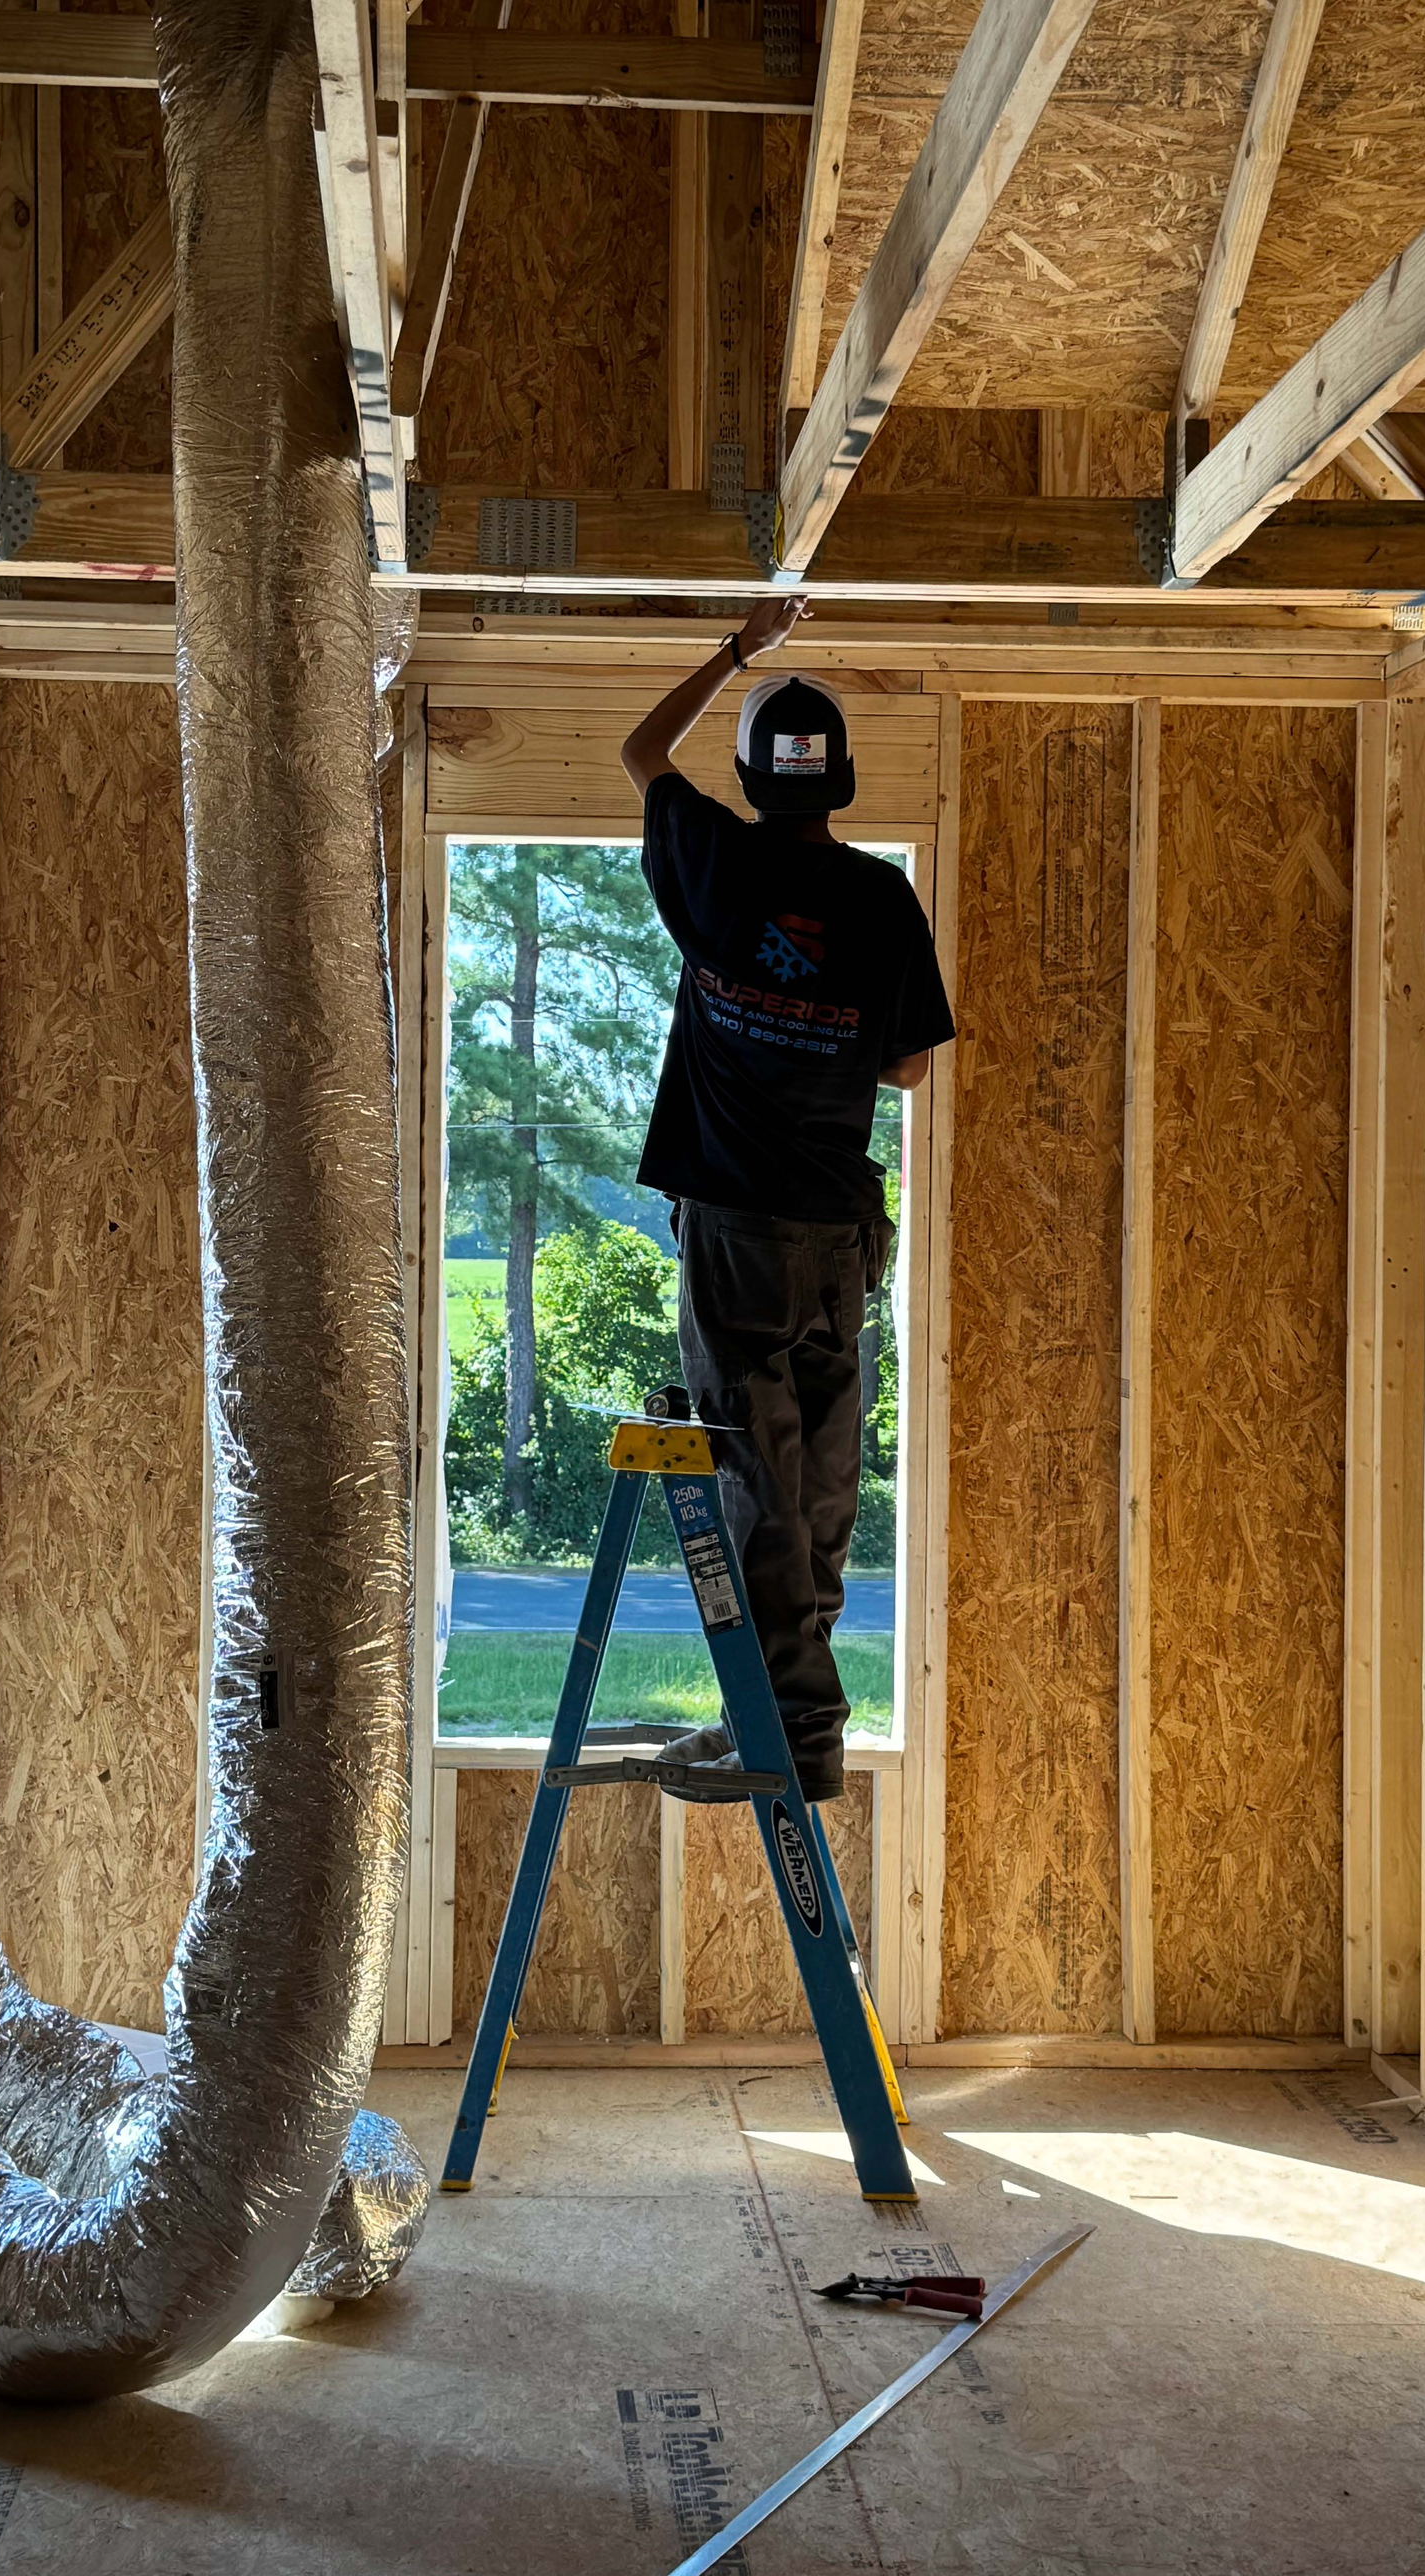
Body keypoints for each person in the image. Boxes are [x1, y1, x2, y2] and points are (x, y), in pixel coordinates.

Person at [620, 596, 956, 1804]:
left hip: (740, 1227)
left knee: (758, 1473)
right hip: (840, 1230)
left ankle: (781, 1728)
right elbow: (912, 1062)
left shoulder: (714, 859)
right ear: (841, 784)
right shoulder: (879, 900)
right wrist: (828, 1031)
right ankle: (803, 1726)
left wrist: (734, 648)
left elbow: (641, 753)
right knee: (817, 1473)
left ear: (757, 781)